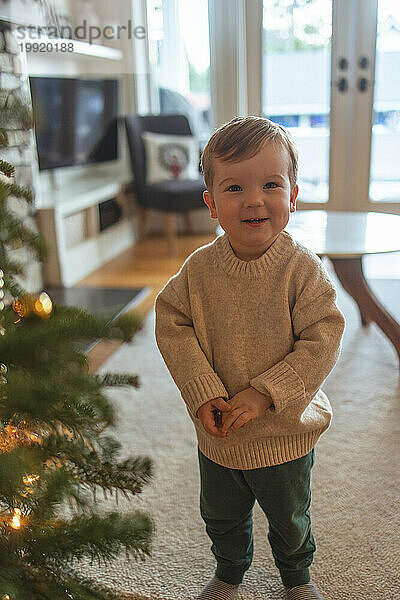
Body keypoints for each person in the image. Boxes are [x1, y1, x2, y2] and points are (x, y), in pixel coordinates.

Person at [154, 116, 345, 600]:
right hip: (220, 433)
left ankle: (298, 577)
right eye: (235, 187)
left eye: (270, 184)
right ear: (212, 204)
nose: (254, 199)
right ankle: (230, 571)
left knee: (289, 515)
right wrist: (202, 393)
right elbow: (171, 321)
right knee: (220, 513)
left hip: (284, 433)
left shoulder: (302, 270)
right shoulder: (198, 270)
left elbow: (324, 334)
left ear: (293, 196)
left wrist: (267, 393)